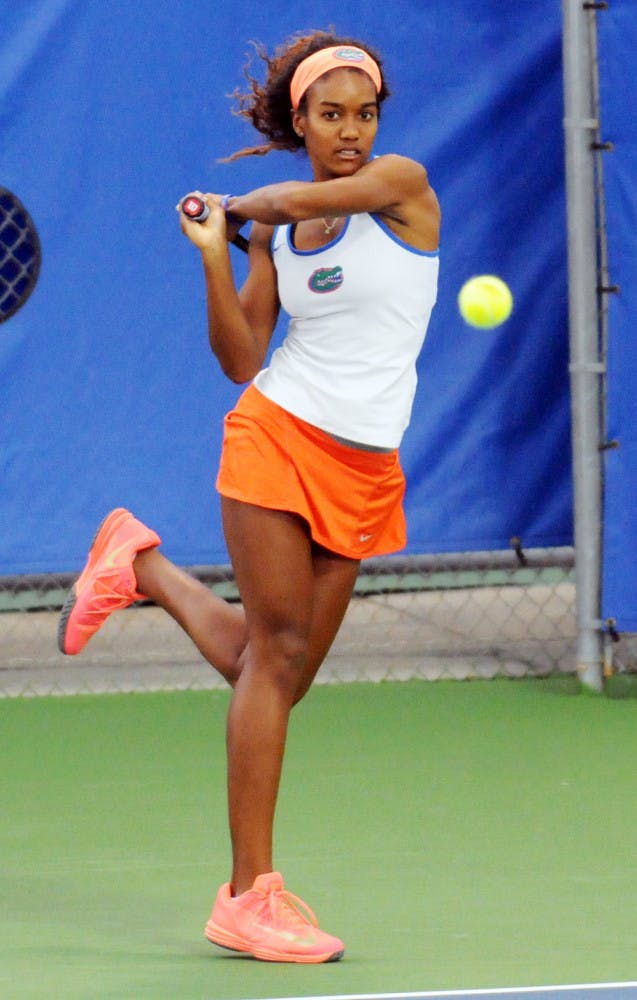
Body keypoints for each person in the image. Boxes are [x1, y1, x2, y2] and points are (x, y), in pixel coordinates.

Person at [58, 29, 440, 964]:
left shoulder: (398, 186)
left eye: (364, 114)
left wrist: (238, 206)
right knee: (275, 658)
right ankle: (247, 896)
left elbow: (293, 198)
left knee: (277, 673)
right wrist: (215, 252)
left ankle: (141, 564)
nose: (350, 131)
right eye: (330, 114)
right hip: (276, 434)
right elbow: (240, 358)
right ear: (300, 120)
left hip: (365, 467)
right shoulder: (271, 235)